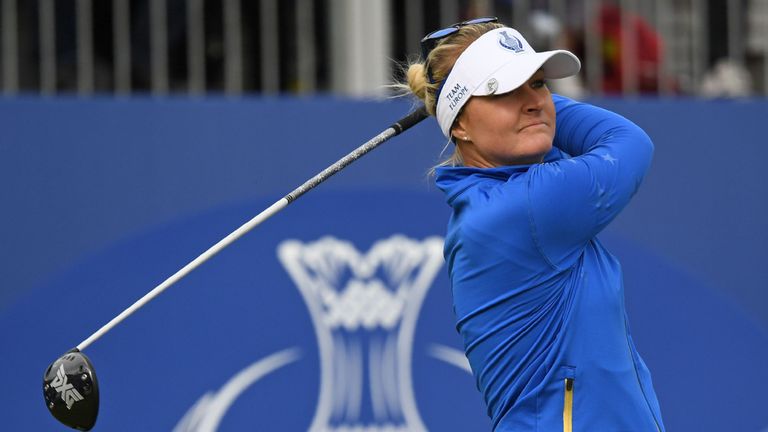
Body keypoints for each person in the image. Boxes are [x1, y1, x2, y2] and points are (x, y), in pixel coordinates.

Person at [401, 18, 665, 431]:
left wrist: (523, 107)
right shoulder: (524, 209)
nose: (532, 100)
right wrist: (536, 111)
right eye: (503, 90)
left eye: (539, 83)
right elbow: (628, 144)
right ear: (460, 127)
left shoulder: (512, 191)